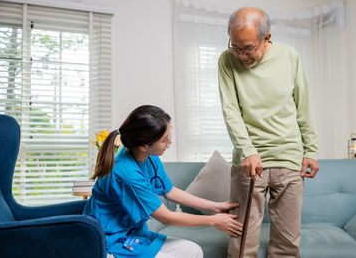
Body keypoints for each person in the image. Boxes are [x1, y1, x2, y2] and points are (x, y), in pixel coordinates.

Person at [218, 7, 319, 258]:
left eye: (249, 48)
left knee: (287, 244)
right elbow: (231, 111)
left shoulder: (289, 56)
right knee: (242, 244)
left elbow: (302, 106)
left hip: (289, 159)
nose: (241, 55)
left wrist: (311, 150)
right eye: (235, 46)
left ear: (267, 38)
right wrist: (248, 151)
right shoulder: (226, 60)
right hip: (249, 163)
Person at [83, 105, 243, 258]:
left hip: (134, 234)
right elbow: (166, 217)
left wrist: (215, 206)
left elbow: (169, 191)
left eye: (169, 136)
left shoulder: (149, 157)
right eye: (165, 140)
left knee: (192, 251)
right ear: (145, 146)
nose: (169, 142)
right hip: (110, 241)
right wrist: (213, 221)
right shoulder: (126, 173)